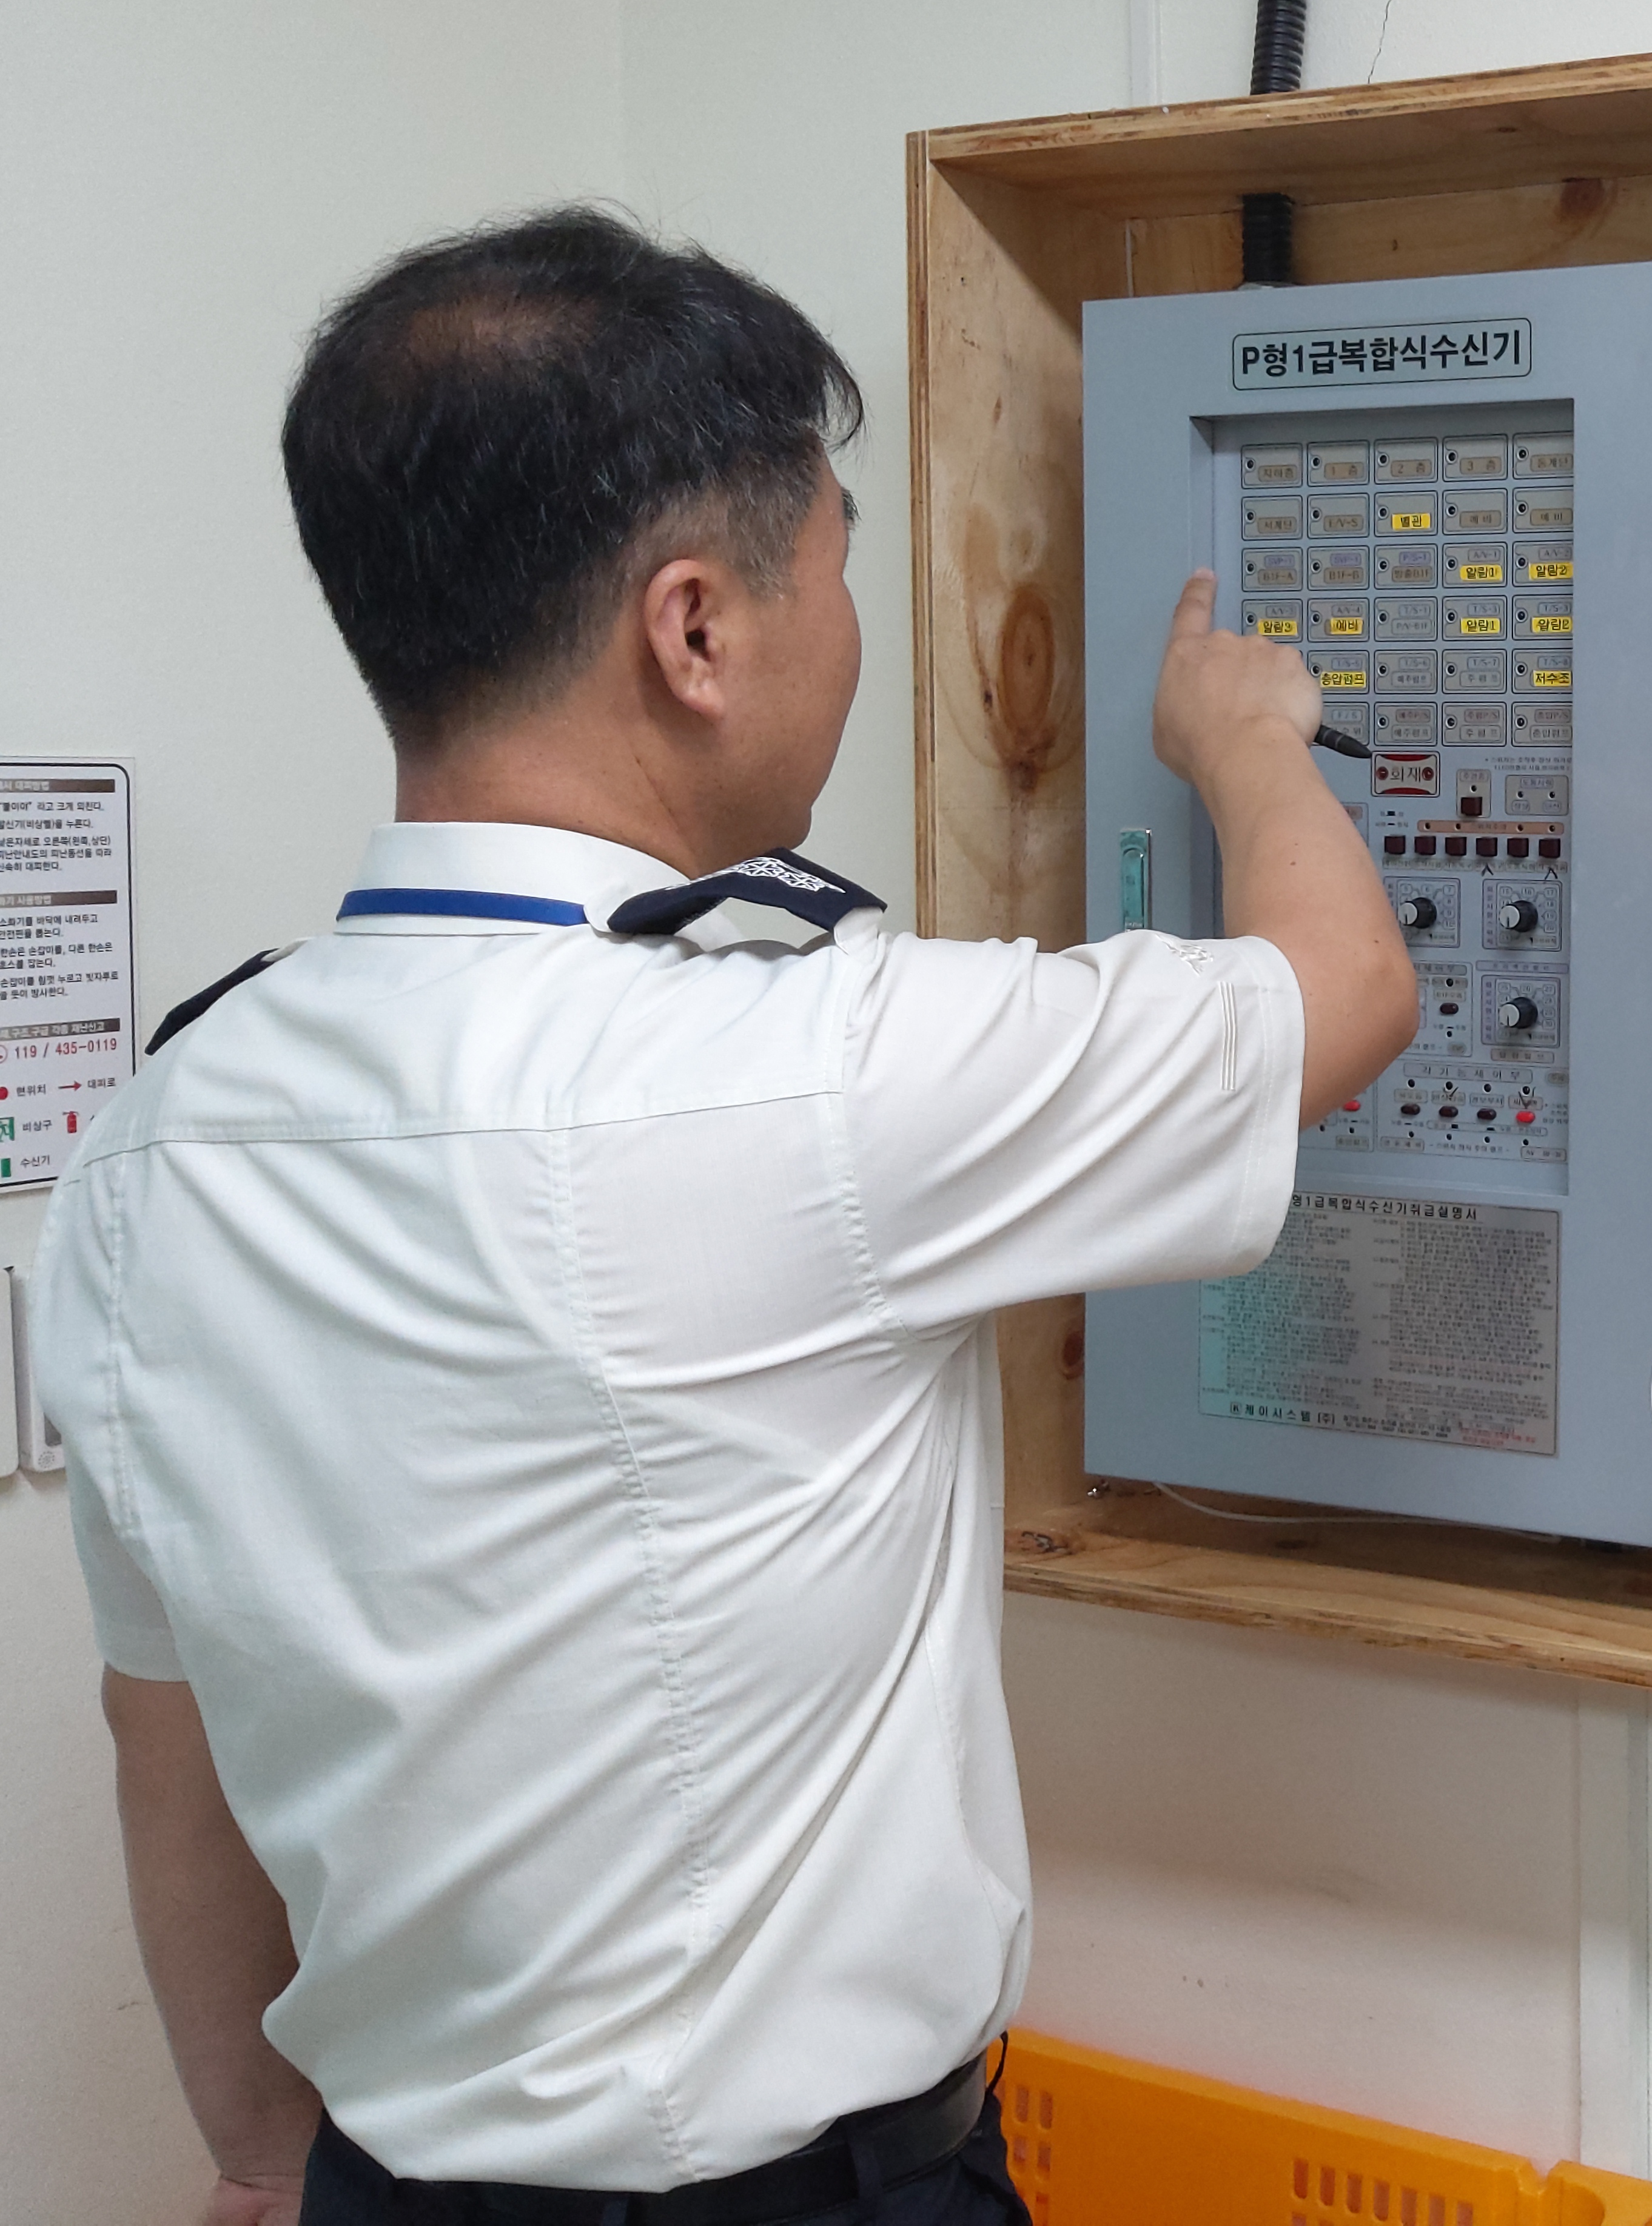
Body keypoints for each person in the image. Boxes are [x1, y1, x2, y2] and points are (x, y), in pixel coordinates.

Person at [34, 207, 1415, 2225]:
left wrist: (262, 2159)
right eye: (838, 565)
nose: (849, 628)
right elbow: (1343, 992)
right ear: (694, 631)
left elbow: (164, 1739)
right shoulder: (819, 1072)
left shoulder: (151, 1150)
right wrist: (1249, 745)